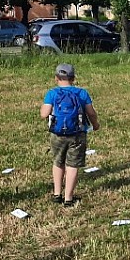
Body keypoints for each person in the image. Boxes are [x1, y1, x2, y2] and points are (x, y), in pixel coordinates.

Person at [40, 63, 100, 207]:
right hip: (77, 133)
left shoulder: (52, 93)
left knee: (58, 162)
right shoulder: (82, 93)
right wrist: (95, 124)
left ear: (56, 78)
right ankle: (68, 198)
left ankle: (56, 194)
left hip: (57, 134)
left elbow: (44, 114)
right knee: (72, 165)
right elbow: (91, 112)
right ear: (73, 78)